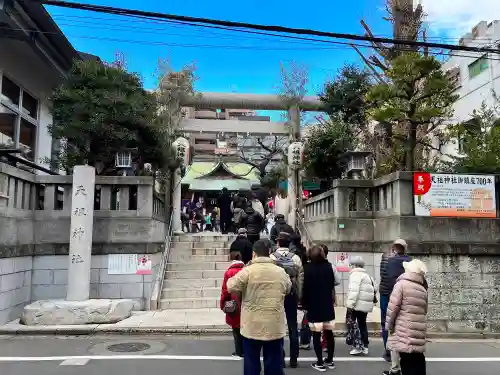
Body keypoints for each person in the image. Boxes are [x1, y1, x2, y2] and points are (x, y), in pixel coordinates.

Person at [227, 239, 292, 375]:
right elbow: (288, 288)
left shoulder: (248, 271)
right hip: (274, 325)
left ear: (254, 254)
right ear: (269, 253)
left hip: (252, 325)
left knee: (251, 362)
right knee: (274, 362)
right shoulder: (280, 272)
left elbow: (231, 286)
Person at [386, 259, 428, 375]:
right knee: (417, 359)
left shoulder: (401, 285)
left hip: (403, 330)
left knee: (406, 361)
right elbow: (424, 311)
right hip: (418, 331)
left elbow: (393, 308)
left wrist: (389, 326)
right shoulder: (423, 289)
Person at [270, 232, 304, 369]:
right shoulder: (295, 258)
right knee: (292, 326)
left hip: (276, 294)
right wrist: (299, 295)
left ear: (278, 243)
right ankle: (294, 358)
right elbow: (301, 278)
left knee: (277, 326)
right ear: (288, 244)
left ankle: (280, 357)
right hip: (291, 294)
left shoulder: (272, 257)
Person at [301, 245, 336, 372]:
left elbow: (304, 288)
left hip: (314, 306)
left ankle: (320, 362)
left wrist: (303, 304)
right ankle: (330, 360)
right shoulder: (329, 267)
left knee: (316, 334)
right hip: (327, 305)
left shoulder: (307, 268)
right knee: (329, 333)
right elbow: (332, 284)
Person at [381, 239, 411, 375]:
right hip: (404, 295)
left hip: (388, 294)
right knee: (404, 325)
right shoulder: (410, 262)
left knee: (388, 324)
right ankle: (403, 356)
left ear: (393, 248)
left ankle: (390, 353)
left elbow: (384, 275)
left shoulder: (387, 259)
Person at [345, 256, 376, 356]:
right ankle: (365, 346)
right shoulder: (367, 275)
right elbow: (375, 288)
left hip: (356, 305)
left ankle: (357, 346)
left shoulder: (355, 275)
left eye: (351, 265)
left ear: (354, 265)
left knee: (353, 325)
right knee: (362, 324)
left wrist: (350, 305)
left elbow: (354, 292)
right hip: (365, 306)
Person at [220, 251, 246, 358]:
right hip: (245, 302)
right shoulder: (246, 270)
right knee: (245, 328)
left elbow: (225, 290)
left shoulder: (229, 272)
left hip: (233, 303)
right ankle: (246, 350)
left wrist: (223, 304)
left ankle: (239, 351)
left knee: (236, 329)